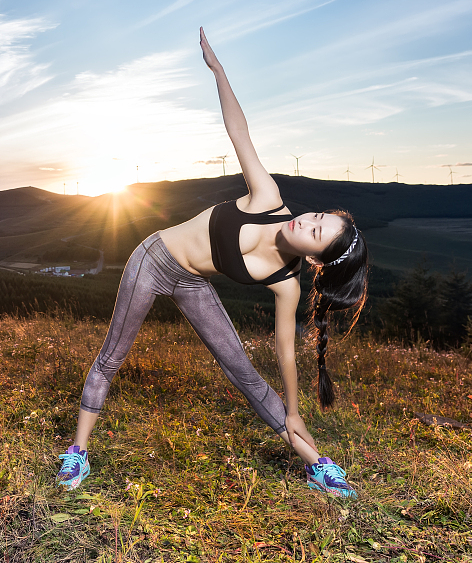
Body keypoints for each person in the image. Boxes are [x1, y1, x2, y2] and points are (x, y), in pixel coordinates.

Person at [56, 27, 368, 498]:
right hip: (154, 258)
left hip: (192, 281)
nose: (306, 222)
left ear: (316, 257)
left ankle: (317, 464)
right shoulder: (269, 199)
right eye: (316, 216)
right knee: (112, 356)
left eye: (317, 232)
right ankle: (76, 455)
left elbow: (285, 352)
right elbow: (238, 131)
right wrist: (219, 71)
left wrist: (294, 408)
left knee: (243, 371)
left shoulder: (287, 283)